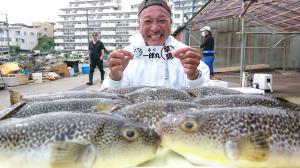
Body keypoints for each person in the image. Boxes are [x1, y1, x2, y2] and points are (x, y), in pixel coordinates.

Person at [102, 0, 210, 89]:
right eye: (147, 21)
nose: (154, 28)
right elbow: (109, 100)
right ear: (139, 25)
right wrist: (115, 78)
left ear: (171, 23)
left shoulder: (186, 55)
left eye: (162, 20)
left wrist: (194, 76)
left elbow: (204, 96)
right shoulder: (126, 57)